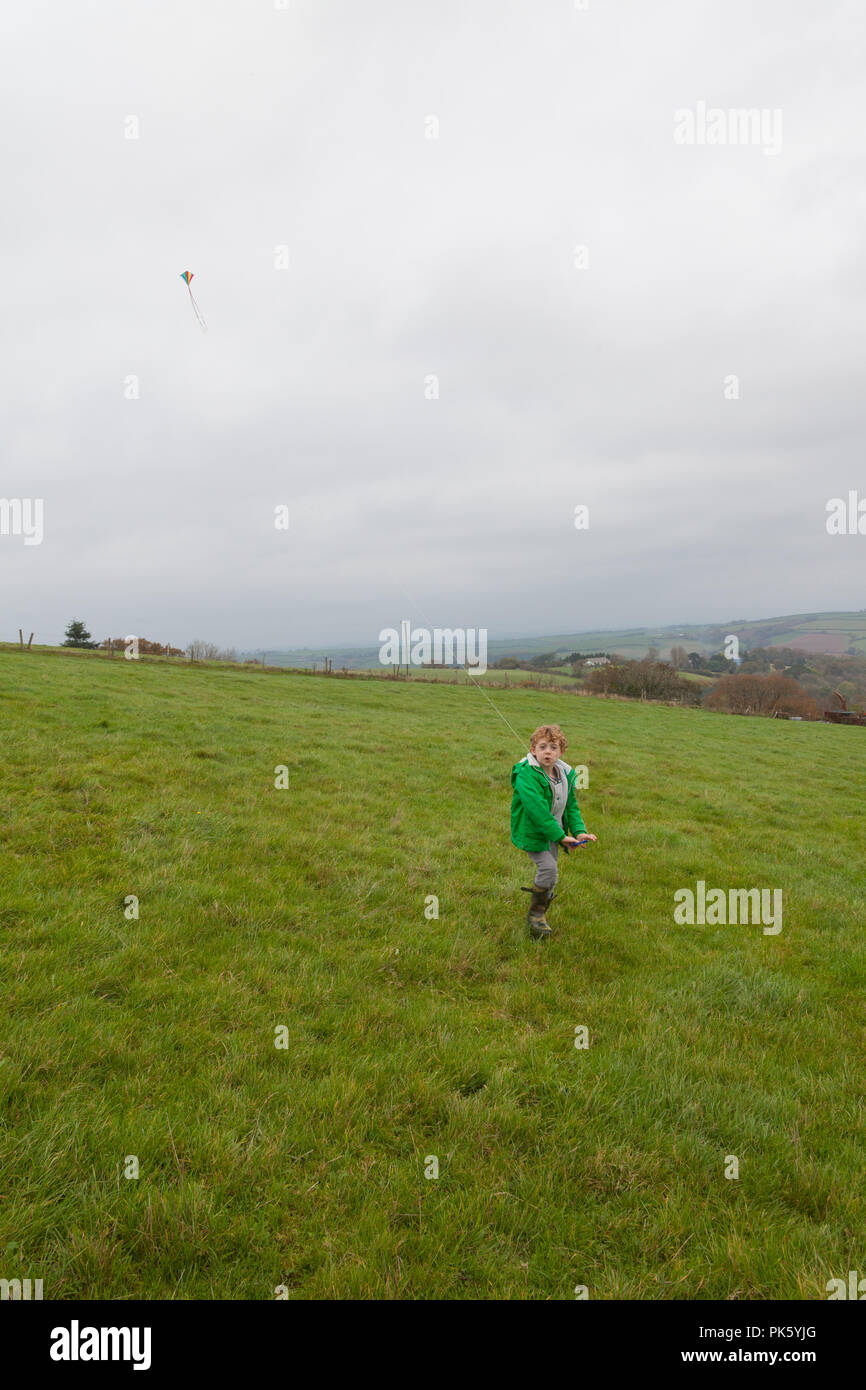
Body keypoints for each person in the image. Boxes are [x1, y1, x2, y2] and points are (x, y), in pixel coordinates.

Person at [510, 723, 596, 938]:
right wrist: (560, 837)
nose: (547, 751)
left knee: (552, 874)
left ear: (561, 751)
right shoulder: (526, 775)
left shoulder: (565, 774)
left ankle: (540, 914)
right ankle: (536, 916)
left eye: (553, 747)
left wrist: (579, 832)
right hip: (533, 831)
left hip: (555, 831)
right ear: (533, 750)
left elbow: (571, 806)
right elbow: (537, 812)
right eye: (542, 747)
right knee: (548, 868)